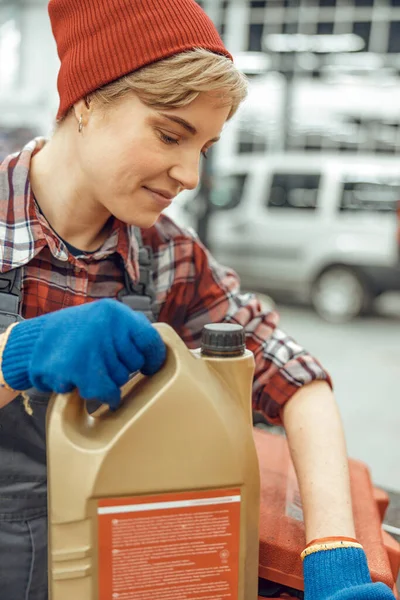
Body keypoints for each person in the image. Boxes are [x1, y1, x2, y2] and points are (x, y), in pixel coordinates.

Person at [0, 1, 395, 599]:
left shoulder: (167, 257)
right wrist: (19, 352)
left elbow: (297, 378)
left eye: (204, 148)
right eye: (169, 133)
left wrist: (334, 554)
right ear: (87, 100)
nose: (190, 174)